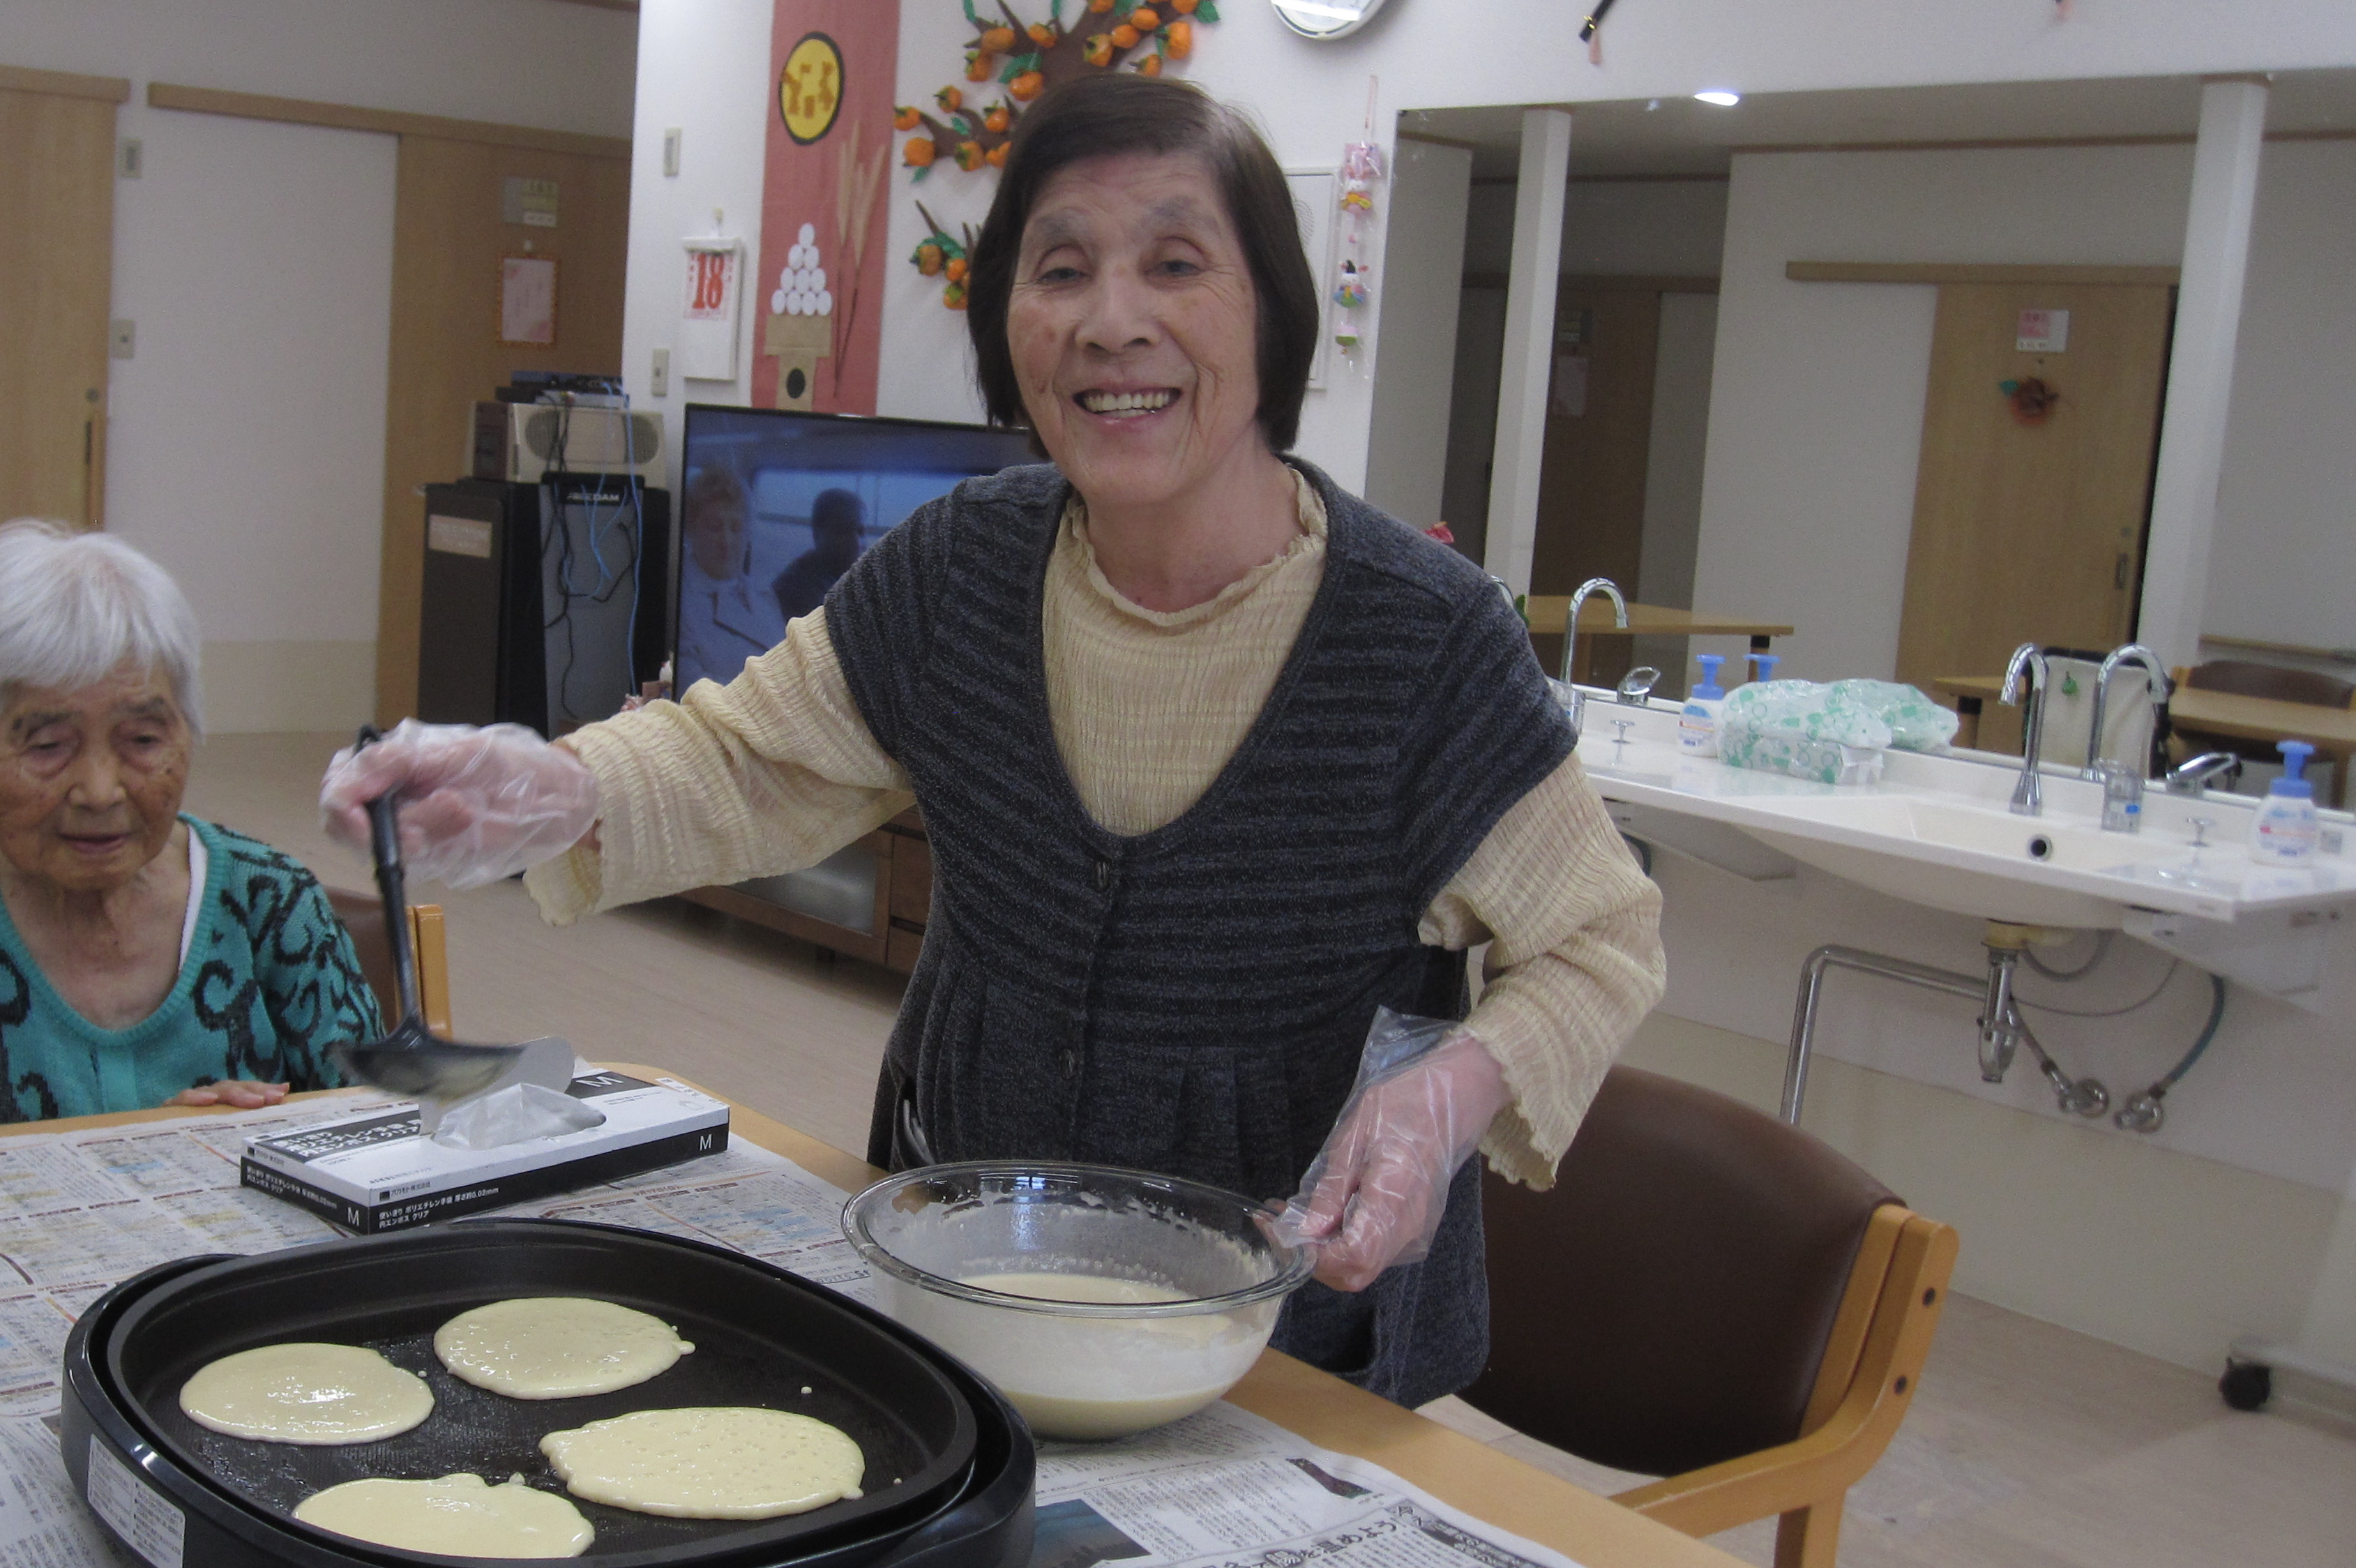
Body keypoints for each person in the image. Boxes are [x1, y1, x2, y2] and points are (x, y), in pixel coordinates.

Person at [322, 75, 1662, 1407]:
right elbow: (749, 756)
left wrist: (1451, 1093)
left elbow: (1600, 938)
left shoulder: (1421, 641)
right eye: (1061, 270)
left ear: (1275, 315)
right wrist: (554, 784)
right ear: (1006, 324)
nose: (1110, 322)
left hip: (1287, 1344)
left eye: (1175, 264)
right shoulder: (965, 564)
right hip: (963, 1272)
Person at [0, 522, 380, 1149]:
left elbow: (386, 1137)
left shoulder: (272, 903)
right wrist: (137, 1152)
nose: (100, 791)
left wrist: (247, 1151)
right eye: (49, 745)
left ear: (189, 731)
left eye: (142, 740)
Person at [672, 466, 785, 687]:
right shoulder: (680, 601)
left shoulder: (765, 596)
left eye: (736, 528)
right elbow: (691, 688)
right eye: (714, 527)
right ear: (691, 531)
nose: (726, 541)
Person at [771, 488, 869, 621]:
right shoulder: (797, 591)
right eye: (843, 531)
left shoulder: (839, 578)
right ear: (817, 534)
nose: (856, 543)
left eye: (861, 532)